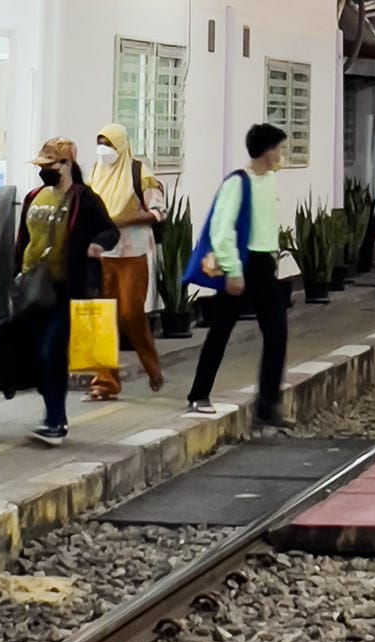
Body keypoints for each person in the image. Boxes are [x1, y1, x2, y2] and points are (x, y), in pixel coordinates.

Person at [185, 124, 293, 421]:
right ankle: (198, 394)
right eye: (278, 148)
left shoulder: (270, 181)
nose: (280, 154)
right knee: (221, 329)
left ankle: (268, 404)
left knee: (276, 333)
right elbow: (221, 230)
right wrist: (233, 270)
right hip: (242, 265)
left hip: (264, 266)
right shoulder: (237, 182)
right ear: (267, 150)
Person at [14, 139, 118, 446]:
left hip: (65, 289)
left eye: (51, 166)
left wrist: (97, 244)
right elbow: (23, 241)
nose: (45, 171)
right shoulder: (34, 197)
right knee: (39, 354)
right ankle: (53, 416)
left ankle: (55, 421)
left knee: (52, 352)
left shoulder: (83, 199)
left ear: (67, 165)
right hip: (34, 289)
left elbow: (110, 230)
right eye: (41, 167)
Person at [86, 125, 165, 400]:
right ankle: (104, 382)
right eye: (100, 143)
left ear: (120, 145)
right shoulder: (96, 171)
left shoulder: (139, 173)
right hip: (102, 254)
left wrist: (123, 219)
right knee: (103, 318)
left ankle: (152, 367)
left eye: (108, 144)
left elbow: (158, 212)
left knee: (130, 314)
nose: (103, 150)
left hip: (132, 254)